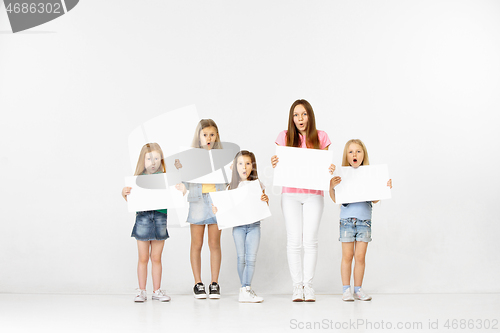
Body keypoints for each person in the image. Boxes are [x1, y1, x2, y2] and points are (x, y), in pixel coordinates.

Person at [271, 99, 334, 302]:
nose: (300, 118)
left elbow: (325, 166)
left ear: (310, 116)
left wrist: (329, 169)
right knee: (294, 241)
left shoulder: (321, 137)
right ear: (292, 117)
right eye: (296, 114)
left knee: (310, 241)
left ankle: (309, 286)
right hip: (290, 194)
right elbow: (280, 164)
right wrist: (275, 163)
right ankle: (297, 287)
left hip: (314, 194)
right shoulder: (285, 136)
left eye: (304, 114)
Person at [329, 139, 392, 301]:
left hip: (364, 221)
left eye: (358, 151)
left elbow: (375, 199)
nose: (354, 154)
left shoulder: (369, 175)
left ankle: (358, 289)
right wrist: (331, 186)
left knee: (360, 257)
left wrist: (385, 187)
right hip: (347, 221)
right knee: (347, 256)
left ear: (364, 155)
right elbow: (336, 199)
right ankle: (346, 290)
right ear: (346, 156)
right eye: (351, 152)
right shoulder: (342, 175)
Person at [175, 119, 226, 299]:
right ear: (199, 137)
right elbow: (184, 182)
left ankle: (214, 283)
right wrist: (180, 172)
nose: (208, 138)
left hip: (216, 200)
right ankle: (198, 283)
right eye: (205, 135)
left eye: (212, 134)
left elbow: (229, 178)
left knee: (214, 244)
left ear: (216, 136)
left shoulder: (223, 157)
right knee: (196, 244)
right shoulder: (191, 157)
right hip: (197, 200)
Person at [212, 151, 268, 303]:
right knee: (241, 258)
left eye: (248, 163)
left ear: (253, 166)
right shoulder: (231, 187)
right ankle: (245, 290)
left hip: (254, 226)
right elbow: (225, 210)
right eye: (240, 163)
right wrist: (218, 210)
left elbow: (262, 209)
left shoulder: (258, 185)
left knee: (251, 258)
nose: (244, 167)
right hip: (238, 227)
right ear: (235, 167)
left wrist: (265, 199)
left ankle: (246, 289)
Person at [122, 143, 171, 302]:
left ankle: (157, 291)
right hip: (143, 219)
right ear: (143, 160)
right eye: (149, 158)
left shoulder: (165, 179)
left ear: (161, 160)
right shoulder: (137, 180)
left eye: (157, 158)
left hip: (160, 219)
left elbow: (176, 193)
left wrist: (180, 188)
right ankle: (141, 291)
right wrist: (125, 192)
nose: (153, 162)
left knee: (156, 257)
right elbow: (128, 197)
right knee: (143, 258)